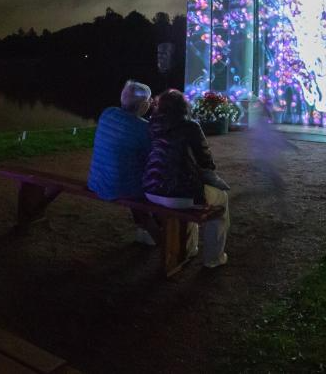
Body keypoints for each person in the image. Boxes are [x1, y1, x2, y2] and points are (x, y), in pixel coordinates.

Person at [143, 89, 231, 268]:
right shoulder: (191, 127)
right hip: (180, 195)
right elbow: (206, 161)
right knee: (220, 199)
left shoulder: (152, 125)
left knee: (190, 194)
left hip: (151, 190)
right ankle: (213, 258)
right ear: (184, 106)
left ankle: (190, 248)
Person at [87, 80, 156, 245]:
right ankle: (156, 233)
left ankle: (143, 229)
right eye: (150, 100)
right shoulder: (144, 128)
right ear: (144, 105)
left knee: (129, 171)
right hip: (120, 188)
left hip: (97, 182)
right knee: (154, 182)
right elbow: (153, 159)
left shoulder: (107, 113)